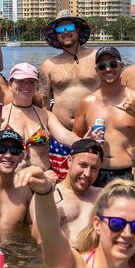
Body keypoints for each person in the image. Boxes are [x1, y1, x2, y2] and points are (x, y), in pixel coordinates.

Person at [72, 45, 135, 186]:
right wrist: (85, 141)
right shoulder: (87, 102)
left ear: (122, 66)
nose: (108, 69)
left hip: (128, 173)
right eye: (102, 66)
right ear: (96, 71)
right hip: (95, 173)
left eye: (113, 64)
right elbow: (75, 141)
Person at [0, 62, 76, 171]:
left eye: (31, 82)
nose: (26, 85)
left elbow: (66, 136)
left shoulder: (45, 115)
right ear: (10, 84)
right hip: (10, 181)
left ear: (35, 86)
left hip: (42, 179)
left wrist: (87, 141)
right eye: (20, 81)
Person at [38, 10, 99, 178]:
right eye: (60, 30)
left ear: (78, 30)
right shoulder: (48, 65)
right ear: (56, 35)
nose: (65, 32)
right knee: (62, 185)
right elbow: (43, 104)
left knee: (92, 182)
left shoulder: (96, 57)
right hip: (60, 135)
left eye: (69, 26)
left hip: (94, 132)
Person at [32, 138, 104, 243]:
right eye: (83, 165)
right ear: (69, 161)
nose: (87, 173)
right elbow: (38, 238)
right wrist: (45, 197)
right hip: (62, 257)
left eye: (94, 168)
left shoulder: (104, 197)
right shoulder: (48, 196)